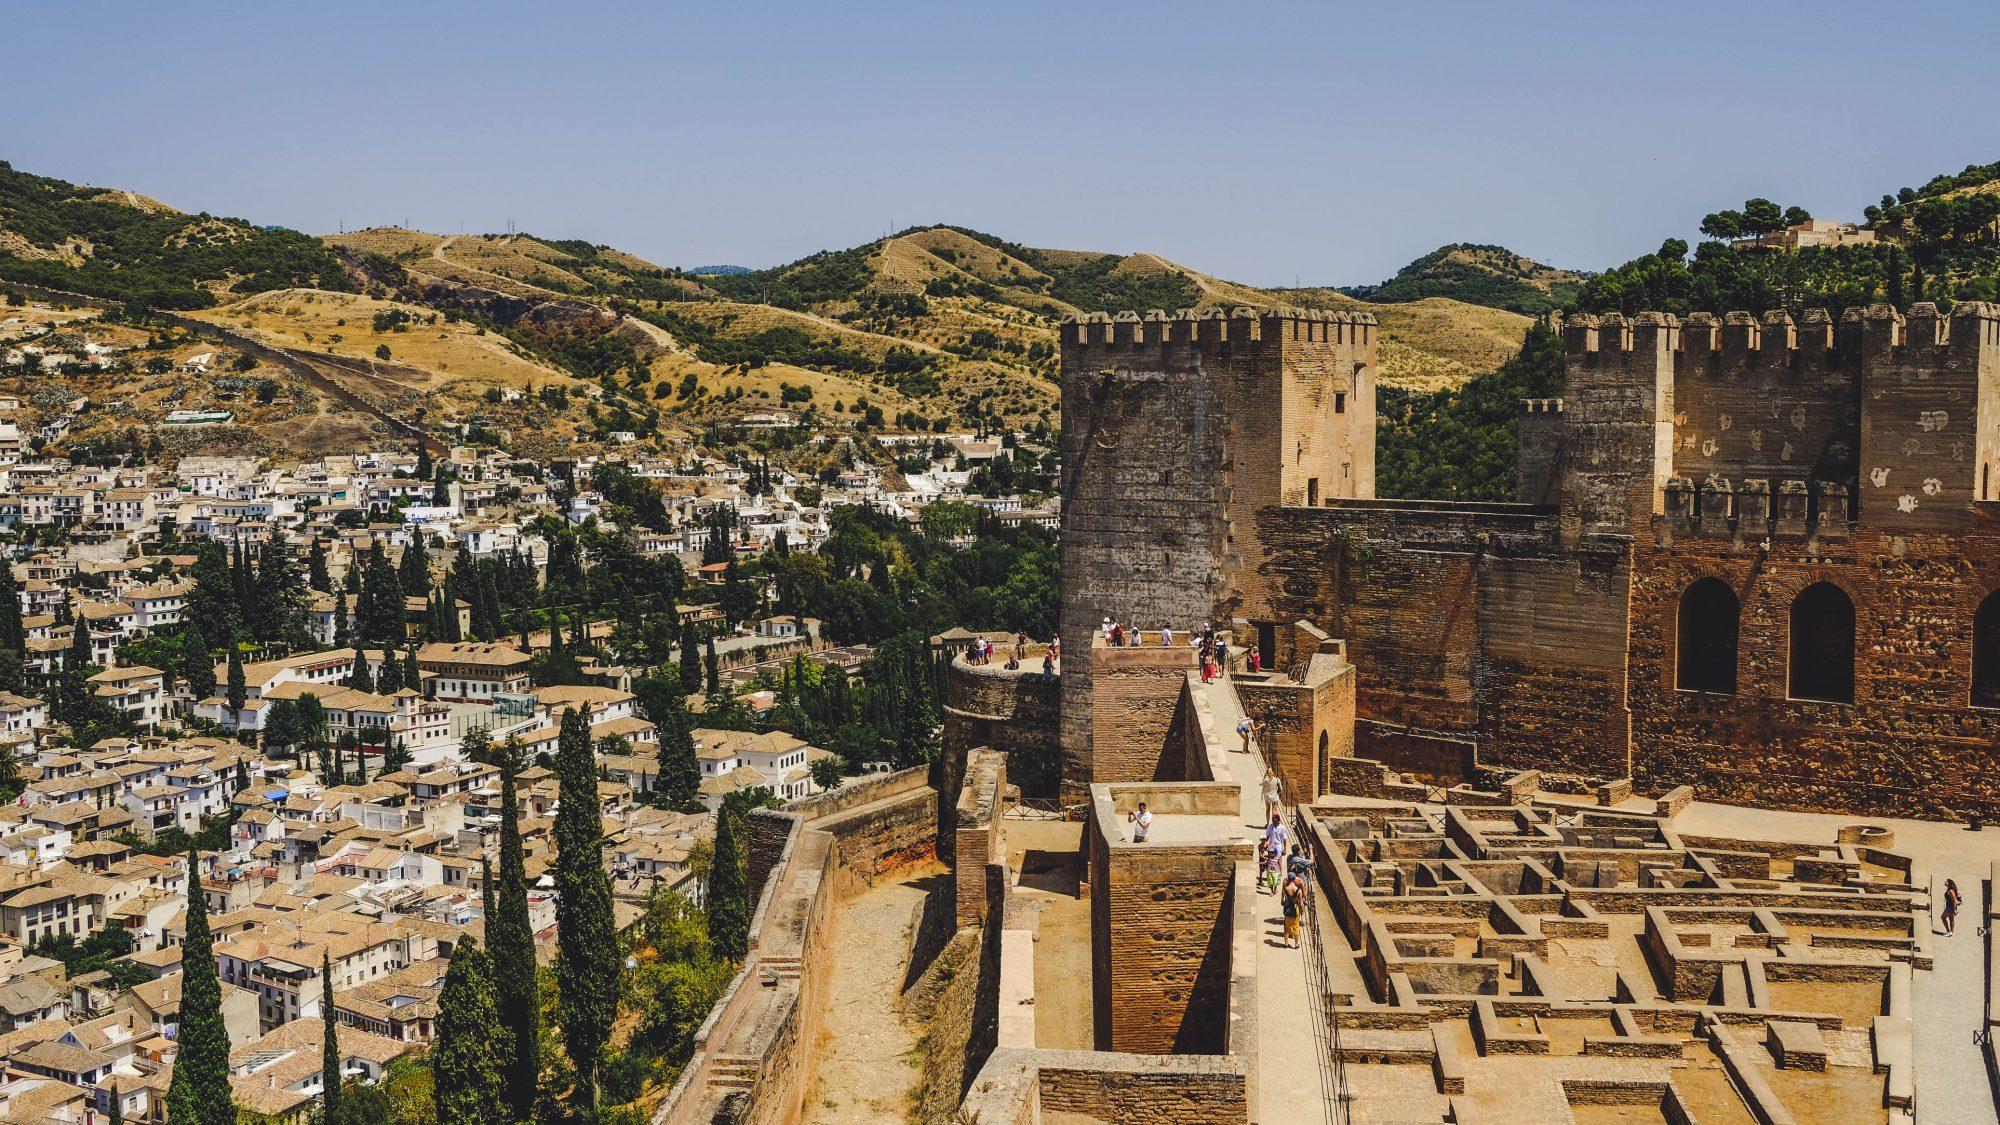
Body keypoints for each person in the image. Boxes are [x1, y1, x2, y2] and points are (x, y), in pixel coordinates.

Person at [1280, 870, 1304, 948]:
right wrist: (1302, 909)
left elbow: (1282, 899)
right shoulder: (1299, 890)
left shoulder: (1285, 888)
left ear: (1288, 879)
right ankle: (1296, 944)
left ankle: (1286, 943)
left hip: (1287, 909)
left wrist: (1282, 902)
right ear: (1294, 879)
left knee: (1286, 927)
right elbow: (1300, 902)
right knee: (1296, 927)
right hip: (1295, 909)